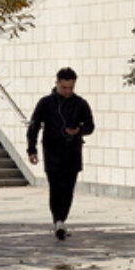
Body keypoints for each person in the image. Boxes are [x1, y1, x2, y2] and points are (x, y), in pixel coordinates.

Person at [27, 67, 95, 240]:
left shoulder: (80, 103)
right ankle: (58, 221)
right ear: (57, 83)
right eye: (64, 87)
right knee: (55, 188)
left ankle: (61, 219)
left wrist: (77, 131)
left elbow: (90, 126)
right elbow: (34, 126)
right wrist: (32, 149)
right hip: (52, 151)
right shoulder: (45, 103)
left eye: (71, 88)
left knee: (68, 189)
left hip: (72, 152)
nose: (68, 91)